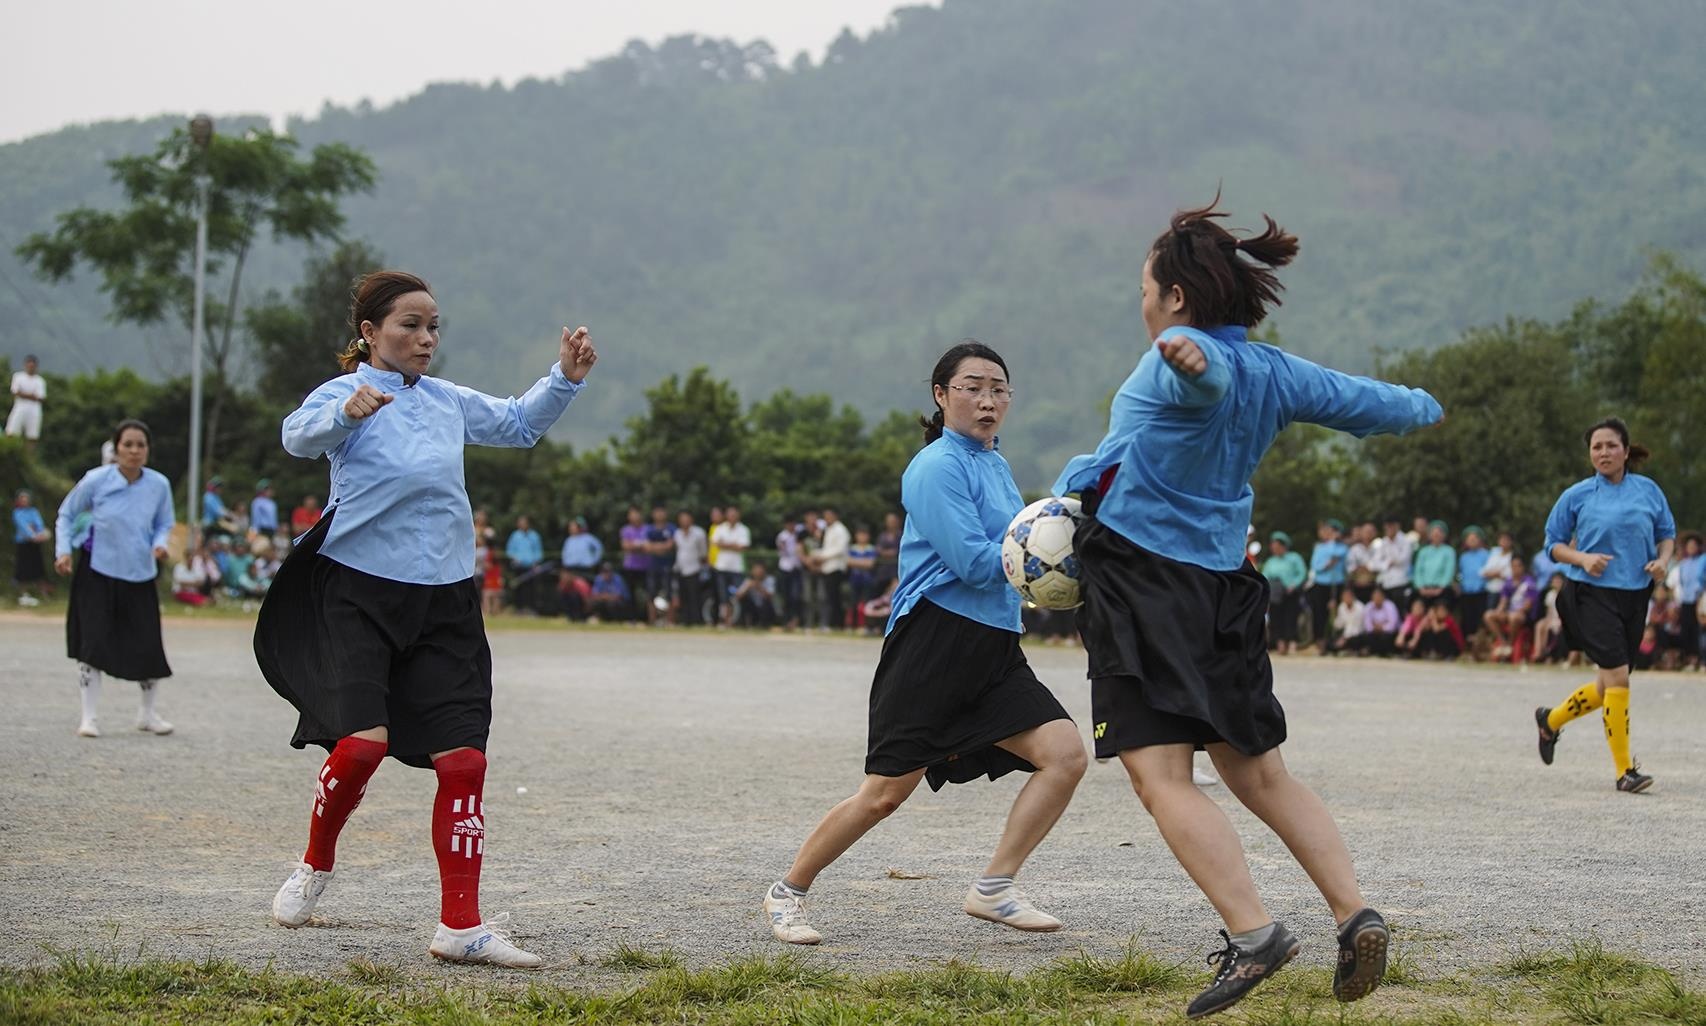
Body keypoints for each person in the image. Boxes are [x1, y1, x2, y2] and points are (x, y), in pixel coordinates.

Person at [1053, 200, 1441, 1018]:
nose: (1142, 302)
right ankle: (1354, 913)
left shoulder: (1173, 359)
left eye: (1146, 289)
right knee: (1259, 771)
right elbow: (1364, 402)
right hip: (1228, 586)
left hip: (1145, 584)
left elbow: (1203, 387)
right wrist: (1419, 404)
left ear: (1177, 297)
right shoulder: (1278, 371)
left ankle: (1254, 933)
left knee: (1161, 775)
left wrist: (1193, 366)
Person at [253, 269, 597, 967]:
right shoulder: (345, 394)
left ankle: (460, 927)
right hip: (357, 595)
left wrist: (564, 377)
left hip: (445, 601)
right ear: (370, 332)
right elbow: (296, 437)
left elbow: (519, 423)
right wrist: (347, 414)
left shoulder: (446, 400)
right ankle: (314, 864)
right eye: (410, 324)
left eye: (433, 326)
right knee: (361, 747)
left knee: (465, 760)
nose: (425, 338)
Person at [764, 341, 1085, 947]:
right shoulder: (935, 466)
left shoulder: (994, 462)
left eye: (999, 389)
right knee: (884, 794)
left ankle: (994, 888)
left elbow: (1017, 544)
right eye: (972, 388)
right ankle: (789, 891)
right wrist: (1051, 563)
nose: (987, 400)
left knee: (1065, 755)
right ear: (941, 396)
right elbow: (973, 562)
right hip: (934, 641)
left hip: (994, 644)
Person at [1533, 416, 1674, 794]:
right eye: (1597, 447)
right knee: (1619, 678)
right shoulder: (1577, 495)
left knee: (1607, 683)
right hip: (1589, 594)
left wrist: (1663, 562)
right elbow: (1552, 544)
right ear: (1590, 454)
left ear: (1626, 451)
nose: (1604, 452)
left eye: (1611, 445)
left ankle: (1550, 720)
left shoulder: (1648, 490)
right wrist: (1582, 558)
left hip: (1635, 594)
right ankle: (1625, 771)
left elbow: (1667, 535)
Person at [54, 419, 177, 738]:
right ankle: (89, 717)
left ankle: (147, 714)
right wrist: (63, 551)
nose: (134, 451)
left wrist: (160, 544)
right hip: (98, 572)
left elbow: (164, 523)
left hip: (140, 573)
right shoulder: (96, 480)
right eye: (128, 444)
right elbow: (66, 514)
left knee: (148, 644)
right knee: (93, 642)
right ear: (116, 449)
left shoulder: (159, 485)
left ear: (148, 450)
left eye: (141, 445)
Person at [1484, 555, 1539, 661]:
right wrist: (1499, 611)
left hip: (1524, 615)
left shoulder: (1529, 582)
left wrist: (1514, 613)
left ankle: (1510, 644)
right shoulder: (1508, 582)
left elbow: (1528, 605)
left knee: (1513, 617)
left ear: (1523, 567)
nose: (1515, 569)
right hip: (1510, 613)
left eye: (1518, 566)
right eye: (1513, 566)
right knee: (1489, 615)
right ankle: (1502, 642)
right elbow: (1503, 601)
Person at [1260, 532, 1306, 655]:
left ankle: (1292, 643)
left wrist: (1294, 584)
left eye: (1276, 546)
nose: (1274, 548)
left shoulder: (1294, 558)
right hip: (1275, 592)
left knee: (1291, 617)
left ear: (1283, 546)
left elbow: (1302, 573)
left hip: (1290, 591)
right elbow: (1265, 576)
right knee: (1276, 618)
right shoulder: (1270, 561)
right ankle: (1280, 644)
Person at [1306, 519, 1347, 653]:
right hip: (1321, 583)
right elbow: (1315, 565)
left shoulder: (1341, 547)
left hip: (1336, 583)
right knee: (1319, 613)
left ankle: (1334, 641)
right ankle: (1319, 641)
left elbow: (1338, 554)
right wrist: (1326, 565)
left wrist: (1334, 541)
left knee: (1335, 612)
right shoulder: (1319, 547)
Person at [711, 505, 750, 625]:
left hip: (737, 568)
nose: (732, 516)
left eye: (734, 514)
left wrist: (725, 544)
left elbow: (743, 547)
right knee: (723, 596)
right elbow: (716, 543)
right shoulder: (720, 528)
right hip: (721, 567)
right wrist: (734, 545)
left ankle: (741, 620)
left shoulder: (743, 529)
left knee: (739, 594)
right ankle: (724, 619)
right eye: (730, 514)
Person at [12, 488, 52, 606]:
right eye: (22, 499)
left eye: (26, 499)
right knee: (23, 568)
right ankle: (23, 594)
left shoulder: (33, 511)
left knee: (38, 568)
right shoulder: (17, 513)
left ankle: (44, 594)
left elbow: (39, 524)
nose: (25, 501)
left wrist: (39, 533)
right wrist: (32, 535)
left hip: (35, 543)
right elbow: (23, 527)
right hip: (23, 543)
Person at [814, 507, 851, 630]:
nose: (827, 519)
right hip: (827, 567)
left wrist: (823, 557)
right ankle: (831, 622)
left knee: (835, 597)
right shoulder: (828, 529)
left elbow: (840, 549)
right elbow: (827, 547)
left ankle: (838, 623)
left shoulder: (840, 530)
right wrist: (817, 555)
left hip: (836, 567)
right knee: (829, 597)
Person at [1370, 516, 1414, 614]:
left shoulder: (1406, 541)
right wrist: (1387, 563)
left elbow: (1402, 560)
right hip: (1385, 583)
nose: (1388, 529)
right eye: (1387, 527)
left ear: (1397, 526)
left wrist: (1387, 561)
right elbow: (1373, 564)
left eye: (1391, 526)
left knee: (1400, 611)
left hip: (1401, 582)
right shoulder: (1383, 542)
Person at [1673, 532, 1704, 670]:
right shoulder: (1683, 564)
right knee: (1686, 629)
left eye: (1693, 545)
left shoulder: (1703, 560)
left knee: (1699, 629)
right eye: (1689, 545)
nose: (1691, 548)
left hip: (1699, 600)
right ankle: (1689, 658)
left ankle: (1700, 658)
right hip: (1686, 600)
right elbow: (1681, 583)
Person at [1456, 526, 1492, 641]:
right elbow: (1461, 573)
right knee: (1467, 617)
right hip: (1466, 591)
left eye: (1475, 538)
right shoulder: (1463, 557)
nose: (1472, 540)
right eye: (1469, 538)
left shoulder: (1486, 554)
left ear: (1480, 540)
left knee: (1480, 617)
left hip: (1481, 591)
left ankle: (1480, 641)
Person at [672, 510, 707, 626]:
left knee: (694, 596)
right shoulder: (677, 533)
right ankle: (685, 620)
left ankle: (696, 620)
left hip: (694, 569)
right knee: (683, 596)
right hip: (680, 568)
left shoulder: (699, 533)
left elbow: (703, 552)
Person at [6, 354, 46, 452]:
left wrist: (23, 394)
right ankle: (10, 451)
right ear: (25, 365)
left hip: (34, 410)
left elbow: (40, 398)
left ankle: (28, 456)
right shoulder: (18, 376)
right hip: (19, 407)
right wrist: (31, 395)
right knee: (11, 431)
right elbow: (15, 392)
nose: (31, 368)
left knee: (32, 436)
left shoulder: (40, 381)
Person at [505, 514, 544, 613]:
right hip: (518, 566)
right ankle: (520, 609)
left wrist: (536, 562)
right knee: (519, 588)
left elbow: (538, 551)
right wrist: (514, 558)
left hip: (531, 567)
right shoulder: (515, 536)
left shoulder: (534, 536)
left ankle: (532, 609)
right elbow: (509, 551)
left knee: (532, 589)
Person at [644, 505, 675, 625]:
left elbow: (670, 546)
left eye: (662, 512)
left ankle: (670, 621)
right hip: (652, 566)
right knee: (651, 594)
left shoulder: (671, 528)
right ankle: (652, 621)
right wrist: (662, 547)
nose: (660, 514)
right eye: (657, 512)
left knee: (669, 593)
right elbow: (647, 547)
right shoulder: (649, 529)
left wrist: (654, 547)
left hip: (667, 565)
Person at [618, 506, 650, 609]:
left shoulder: (648, 529)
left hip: (646, 566)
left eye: (636, 514)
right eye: (632, 514)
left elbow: (649, 547)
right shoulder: (625, 530)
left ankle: (647, 615)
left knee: (649, 593)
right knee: (630, 593)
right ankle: (632, 615)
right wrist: (640, 546)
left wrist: (634, 545)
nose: (634, 516)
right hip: (630, 566)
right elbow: (625, 546)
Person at [775, 516, 804, 628]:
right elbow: (784, 552)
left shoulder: (800, 532)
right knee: (785, 596)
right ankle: (787, 620)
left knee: (795, 596)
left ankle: (796, 619)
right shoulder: (782, 536)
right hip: (785, 567)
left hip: (797, 568)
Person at [848, 526, 878, 630]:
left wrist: (856, 562)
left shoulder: (871, 548)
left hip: (867, 580)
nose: (862, 537)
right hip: (854, 579)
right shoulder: (853, 548)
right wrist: (863, 562)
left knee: (866, 602)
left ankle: (866, 625)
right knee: (853, 602)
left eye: (864, 535)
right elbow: (848, 562)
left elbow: (870, 564)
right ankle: (852, 625)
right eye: (860, 534)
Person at [734, 561, 778, 628]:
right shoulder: (748, 580)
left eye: (760, 570)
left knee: (766, 602)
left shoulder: (770, 579)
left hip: (765, 609)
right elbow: (737, 597)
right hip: (753, 608)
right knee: (744, 599)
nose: (758, 572)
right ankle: (744, 623)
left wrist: (759, 587)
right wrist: (747, 588)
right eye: (756, 570)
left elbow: (770, 597)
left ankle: (765, 623)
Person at [1326, 586, 1364, 655]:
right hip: (1345, 636)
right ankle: (1347, 650)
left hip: (1357, 636)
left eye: (1348, 596)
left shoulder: (1360, 607)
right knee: (1329, 642)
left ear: (1353, 596)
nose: (1346, 598)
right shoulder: (1341, 607)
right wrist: (1333, 611)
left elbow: (1358, 628)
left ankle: (1350, 649)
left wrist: (1345, 639)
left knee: (1356, 640)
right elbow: (1338, 626)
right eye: (1344, 597)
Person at [251, 479, 280, 544]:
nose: (270, 491)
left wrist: (276, 529)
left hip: (272, 530)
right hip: (262, 529)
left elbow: (274, 518)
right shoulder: (257, 501)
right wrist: (255, 531)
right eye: (267, 489)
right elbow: (255, 517)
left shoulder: (272, 503)